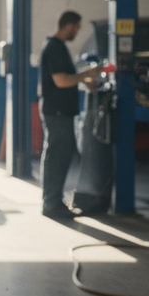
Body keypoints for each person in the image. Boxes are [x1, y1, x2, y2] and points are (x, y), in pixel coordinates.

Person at [38, 11, 103, 220]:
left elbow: (67, 77)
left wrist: (83, 80)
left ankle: (52, 201)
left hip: (59, 111)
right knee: (58, 157)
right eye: (76, 27)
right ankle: (52, 203)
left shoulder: (56, 47)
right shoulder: (55, 48)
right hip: (57, 112)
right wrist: (88, 73)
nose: (76, 31)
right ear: (67, 25)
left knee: (57, 155)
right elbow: (61, 81)